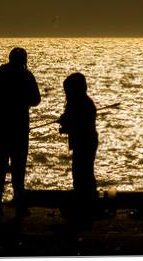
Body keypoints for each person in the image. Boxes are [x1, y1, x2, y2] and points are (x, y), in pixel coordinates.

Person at [0, 47, 41, 219]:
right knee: (19, 167)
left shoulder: (1, 74)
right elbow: (36, 100)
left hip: (1, 129)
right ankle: (19, 205)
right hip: (19, 130)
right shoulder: (27, 76)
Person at [58, 72, 99, 225]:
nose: (66, 94)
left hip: (85, 143)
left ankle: (85, 208)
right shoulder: (83, 103)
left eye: (68, 90)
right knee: (84, 174)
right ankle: (87, 206)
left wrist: (66, 124)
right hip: (86, 142)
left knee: (82, 174)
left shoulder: (82, 104)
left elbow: (79, 126)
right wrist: (66, 124)